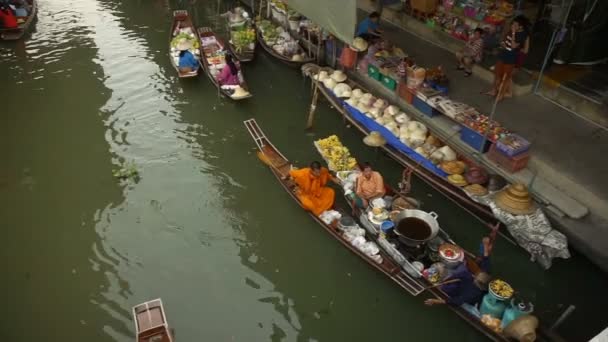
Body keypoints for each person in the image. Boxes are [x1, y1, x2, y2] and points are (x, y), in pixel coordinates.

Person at [424, 237, 492, 308]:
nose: (474, 276)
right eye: (476, 275)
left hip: (460, 290)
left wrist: (435, 301)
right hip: (464, 280)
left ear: (477, 283)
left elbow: (456, 301)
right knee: (460, 270)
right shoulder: (485, 274)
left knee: (445, 287)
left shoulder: (471, 293)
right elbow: (486, 260)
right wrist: (485, 245)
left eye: (476, 278)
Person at [484, 16, 529, 101]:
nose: (513, 25)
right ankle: (493, 90)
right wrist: (502, 43)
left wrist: (513, 33)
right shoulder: (510, 30)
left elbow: (513, 46)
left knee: (505, 77)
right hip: (503, 54)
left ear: (521, 26)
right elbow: (504, 40)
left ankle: (500, 95)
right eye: (513, 23)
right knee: (497, 73)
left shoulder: (522, 35)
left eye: (516, 24)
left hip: (511, 57)